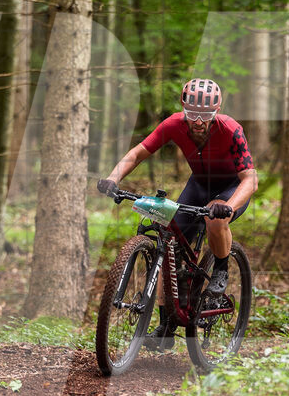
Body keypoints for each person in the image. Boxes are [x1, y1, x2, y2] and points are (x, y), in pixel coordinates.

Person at [96, 78, 258, 350]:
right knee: (168, 245)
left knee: (214, 220)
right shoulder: (173, 124)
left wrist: (228, 206)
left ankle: (220, 270)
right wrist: (113, 178)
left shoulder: (231, 130)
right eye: (192, 114)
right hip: (198, 185)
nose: (198, 121)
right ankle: (166, 327)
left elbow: (250, 180)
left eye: (205, 115)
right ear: (184, 109)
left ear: (216, 111)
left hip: (231, 187)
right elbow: (137, 154)